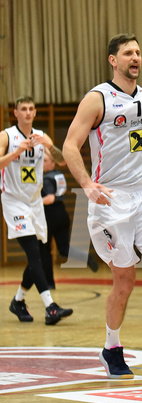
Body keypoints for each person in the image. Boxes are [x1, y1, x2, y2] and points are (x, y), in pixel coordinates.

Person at [62, 33, 142, 380]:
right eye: (128, 53)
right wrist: (87, 184)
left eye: (139, 52)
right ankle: (111, 347)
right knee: (125, 280)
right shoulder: (97, 99)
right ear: (113, 60)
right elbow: (71, 145)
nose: (136, 58)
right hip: (110, 198)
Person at [0, 96, 74, 325]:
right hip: (14, 201)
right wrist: (16, 152)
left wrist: (49, 145)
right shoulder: (6, 136)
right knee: (33, 252)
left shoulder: (42, 136)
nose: (28, 113)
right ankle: (51, 307)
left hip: (35, 203)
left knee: (39, 255)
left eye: (31, 108)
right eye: (23, 109)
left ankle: (18, 301)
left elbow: (61, 161)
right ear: (16, 113)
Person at [40, 154, 100, 289]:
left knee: (44, 251)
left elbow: (49, 198)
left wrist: (34, 204)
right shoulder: (59, 175)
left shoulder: (47, 178)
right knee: (63, 248)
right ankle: (86, 257)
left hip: (50, 216)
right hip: (62, 214)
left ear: (53, 163)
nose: (42, 163)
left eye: (45, 161)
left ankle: (49, 283)